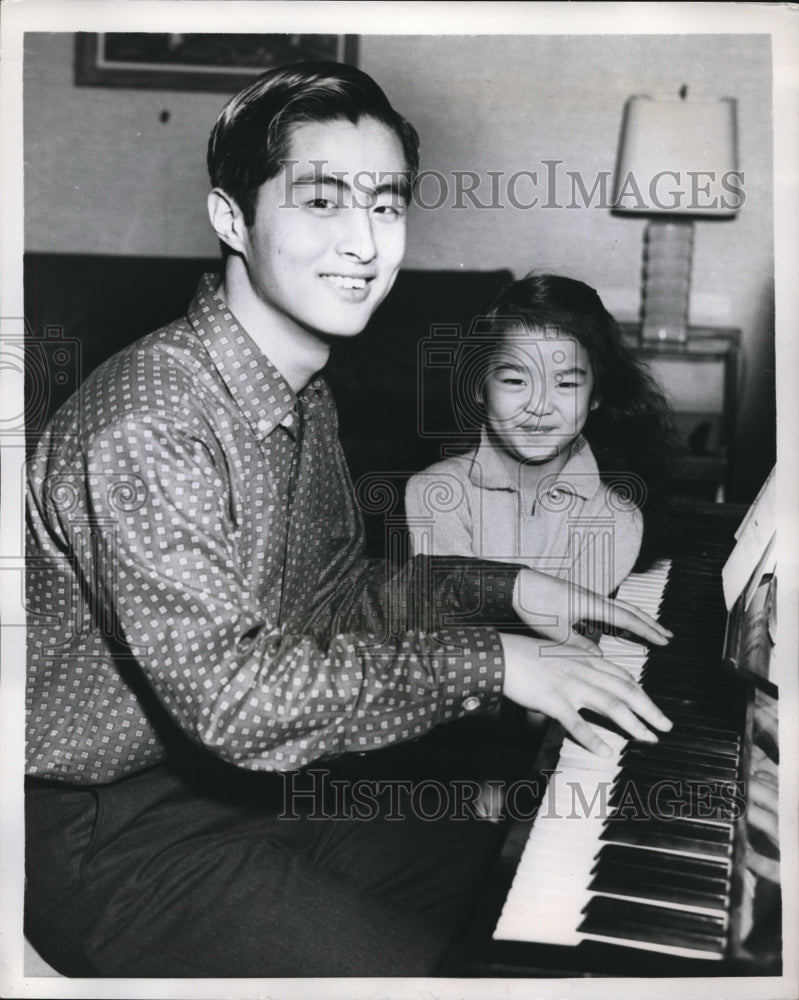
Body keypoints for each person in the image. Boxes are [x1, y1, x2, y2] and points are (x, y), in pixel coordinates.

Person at [24, 63, 673, 978]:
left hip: (256, 795)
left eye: (387, 205)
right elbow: (237, 700)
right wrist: (493, 661)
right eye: (322, 202)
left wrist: (509, 592)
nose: (365, 244)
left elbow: (332, 595)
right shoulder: (151, 421)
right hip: (111, 837)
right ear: (230, 219)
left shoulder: (300, 390)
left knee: (537, 887)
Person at [405, 273, 679, 595]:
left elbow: (567, 632)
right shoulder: (436, 492)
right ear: (479, 387)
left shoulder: (615, 516)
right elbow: (449, 619)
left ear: (596, 396)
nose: (538, 406)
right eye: (515, 381)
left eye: (565, 384)